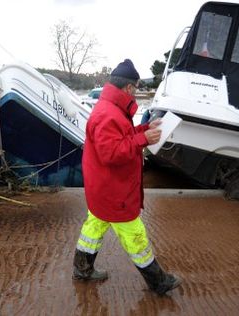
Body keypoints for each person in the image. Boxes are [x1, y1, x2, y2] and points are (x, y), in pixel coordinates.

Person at [72, 59, 182, 295]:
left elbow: (121, 136)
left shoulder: (109, 109)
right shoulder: (109, 114)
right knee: (136, 236)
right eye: (136, 88)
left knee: (93, 228)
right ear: (129, 88)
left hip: (102, 189)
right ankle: (158, 282)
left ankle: (82, 270)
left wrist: (144, 129)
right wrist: (143, 140)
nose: (136, 94)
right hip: (114, 192)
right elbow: (111, 153)